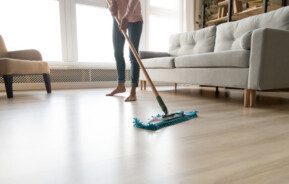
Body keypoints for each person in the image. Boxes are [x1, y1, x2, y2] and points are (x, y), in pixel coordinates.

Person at [106, 0, 143, 102]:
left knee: (133, 55)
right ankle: (120, 85)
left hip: (134, 19)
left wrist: (126, 17)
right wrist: (112, 7)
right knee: (117, 52)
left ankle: (133, 91)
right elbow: (113, 6)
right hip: (118, 18)